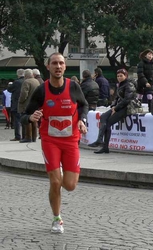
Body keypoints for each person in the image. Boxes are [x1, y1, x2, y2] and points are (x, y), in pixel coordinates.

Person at [21, 52, 88, 234]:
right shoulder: (42, 90)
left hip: (71, 140)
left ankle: (58, 193)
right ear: (48, 67)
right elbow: (24, 115)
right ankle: (57, 218)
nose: (58, 66)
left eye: (61, 63)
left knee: (70, 185)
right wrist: (31, 117)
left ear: (65, 67)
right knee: (55, 181)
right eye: (54, 63)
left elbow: (84, 105)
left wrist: (82, 120)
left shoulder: (73, 86)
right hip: (50, 141)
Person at [88, 69, 137, 154]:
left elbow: (127, 99)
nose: (119, 77)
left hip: (126, 108)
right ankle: (100, 140)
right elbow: (117, 98)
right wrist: (113, 106)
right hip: (119, 107)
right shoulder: (120, 85)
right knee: (103, 117)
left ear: (126, 76)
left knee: (108, 123)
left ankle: (104, 146)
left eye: (121, 75)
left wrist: (116, 108)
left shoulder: (129, 84)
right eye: (118, 76)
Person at [18, 69, 40, 143]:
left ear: (26, 75)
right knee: (34, 120)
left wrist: (20, 101)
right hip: (35, 104)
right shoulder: (36, 81)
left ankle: (28, 137)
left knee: (27, 120)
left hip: (27, 104)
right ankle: (34, 137)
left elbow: (24, 94)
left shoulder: (26, 82)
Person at [8, 69, 25, 141]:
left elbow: (9, 89)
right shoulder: (26, 81)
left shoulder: (16, 82)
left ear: (18, 74)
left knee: (17, 121)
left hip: (16, 104)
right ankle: (25, 135)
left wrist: (10, 85)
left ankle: (17, 136)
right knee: (24, 120)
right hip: (25, 104)